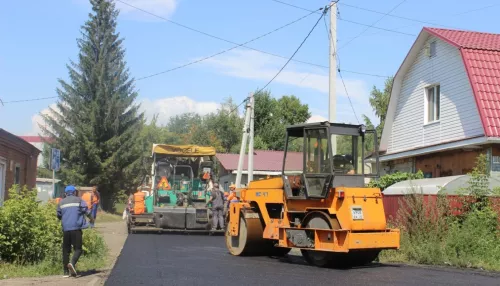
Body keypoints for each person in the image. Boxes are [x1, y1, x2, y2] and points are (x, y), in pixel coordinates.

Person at [57, 185, 94, 278]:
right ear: (74, 192)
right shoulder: (79, 200)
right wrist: (91, 219)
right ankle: (72, 263)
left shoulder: (61, 202)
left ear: (66, 193)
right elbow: (86, 211)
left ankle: (65, 272)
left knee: (66, 250)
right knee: (78, 249)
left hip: (66, 229)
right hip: (76, 228)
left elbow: (58, 215)